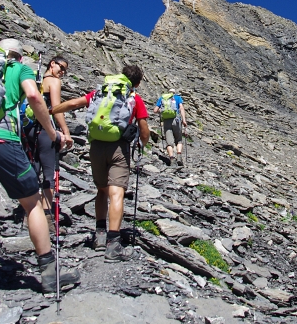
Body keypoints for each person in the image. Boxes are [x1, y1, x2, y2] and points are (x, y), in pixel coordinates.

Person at [0, 39, 80, 316]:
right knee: (32, 202)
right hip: (1, 140)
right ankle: (49, 274)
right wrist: (51, 132)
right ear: (20, 56)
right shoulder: (18, 69)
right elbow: (35, 98)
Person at [51, 65, 150, 261]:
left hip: (96, 146)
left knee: (102, 191)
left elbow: (74, 104)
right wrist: (141, 143)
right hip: (119, 149)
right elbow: (144, 127)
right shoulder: (133, 97)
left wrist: (49, 110)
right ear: (136, 83)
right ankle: (113, 245)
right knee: (116, 193)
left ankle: (99, 235)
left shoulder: (100, 92)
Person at [33, 56, 74, 227]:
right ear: (52, 64)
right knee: (49, 173)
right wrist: (66, 131)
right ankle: (46, 218)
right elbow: (56, 109)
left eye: (65, 70)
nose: (63, 72)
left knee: (33, 170)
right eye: (62, 67)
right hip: (45, 131)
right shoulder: (54, 82)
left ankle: (30, 214)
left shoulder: (37, 81)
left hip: (29, 130)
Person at [153, 89, 187, 166]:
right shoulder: (178, 98)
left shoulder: (162, 98)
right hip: (176, 120)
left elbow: (155, 110)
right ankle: (178, 156)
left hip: (166, 121)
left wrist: (162, 111)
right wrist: (184, 120)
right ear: (174, 93)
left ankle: (171, 158)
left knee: (169, 142)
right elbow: (181, 108)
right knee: (179, 140)